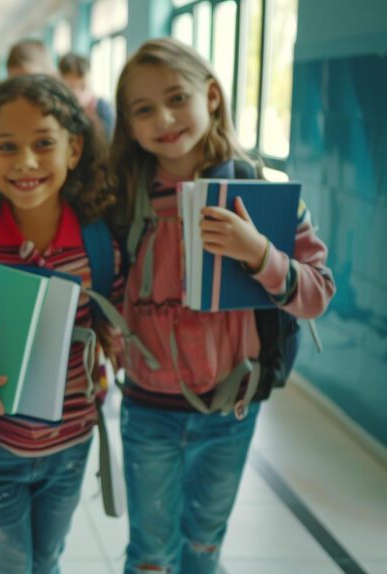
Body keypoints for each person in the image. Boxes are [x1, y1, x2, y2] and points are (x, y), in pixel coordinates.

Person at [110, 38, 335, 573]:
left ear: (211, 96)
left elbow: (317, 293)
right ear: (129, 124)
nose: (163, 118)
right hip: (148, 410)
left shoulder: (262, 193)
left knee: (204, 545)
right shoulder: (124, 199)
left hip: (230, 409)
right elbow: (105, 287)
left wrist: (257, 252)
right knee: (149, 554)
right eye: (143, 110)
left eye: (176, 97)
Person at [0, 74, 123, 573]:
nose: (26, 161)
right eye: (7, 147)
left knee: (47, 558)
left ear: (74, 150)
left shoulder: (98, 244)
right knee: (9, 565)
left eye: (43, 144)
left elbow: (110, 323)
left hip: (72, 442)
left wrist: (117, 344)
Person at [58, 52, 115, 138]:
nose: (77, 94)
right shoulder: (57, 109)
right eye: (70, 87)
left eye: (82, 86)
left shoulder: (103, 109)